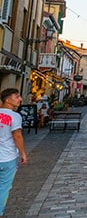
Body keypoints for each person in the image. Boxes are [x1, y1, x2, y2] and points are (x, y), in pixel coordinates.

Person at [0, 88, 27, 216]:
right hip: (7, 157)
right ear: (7, 100)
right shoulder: (14, 116)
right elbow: (17, 136)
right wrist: (23, 153)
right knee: (4, 187)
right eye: (17, 97)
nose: (20, 99)